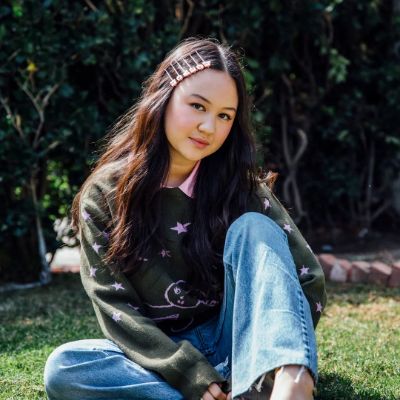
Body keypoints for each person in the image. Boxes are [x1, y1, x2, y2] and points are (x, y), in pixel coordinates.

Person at [44, 37, 327, 400]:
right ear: (163, 98)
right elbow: (115, 307)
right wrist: (186, 371)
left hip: (239, 343)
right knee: (66, 368)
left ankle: (289, 380)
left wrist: (274, 350)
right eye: (197, 106)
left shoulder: (239, 187)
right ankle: (237, 391)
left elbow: (306, 278)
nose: (209, 127)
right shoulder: (105, 195)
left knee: (256, 228)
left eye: (224, 116)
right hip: (160, 359)